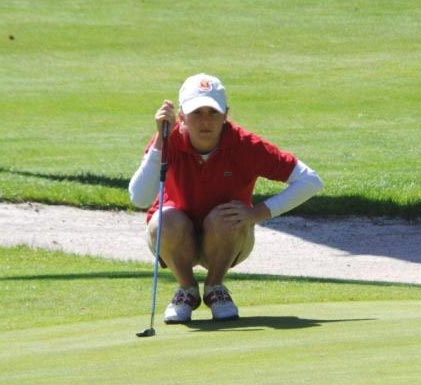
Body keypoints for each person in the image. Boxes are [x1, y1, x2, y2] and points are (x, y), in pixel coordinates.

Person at [129, 73, 323, 323]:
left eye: (213, 112)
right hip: (173, 237)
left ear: (226, 115)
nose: (205, 121)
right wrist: (159, 143)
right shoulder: (168, 140)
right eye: (197, 113)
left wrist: (257, 213)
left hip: (229, 238)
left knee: (226, 217)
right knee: (163, 220)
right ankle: (187, 290)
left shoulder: (245, 145)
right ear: (181, 116)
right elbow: (139, 197)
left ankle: (215, 288)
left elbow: (310, 181)